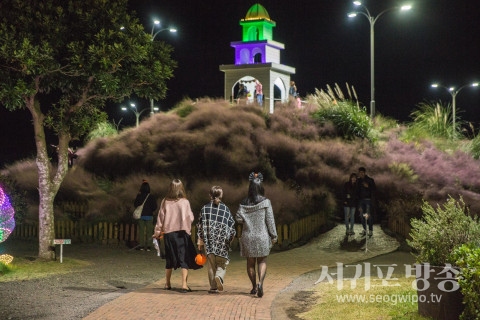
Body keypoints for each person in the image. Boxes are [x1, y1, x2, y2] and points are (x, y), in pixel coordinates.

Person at [153, 179, 201, 293]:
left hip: (169, 233)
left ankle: (167, 283)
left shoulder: (165, 201)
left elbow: (160, 218)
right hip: (182, 233)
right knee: (183, 258)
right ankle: (184, 285)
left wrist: (157, 232)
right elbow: (191, 217)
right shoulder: (185, 202)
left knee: (169, 258)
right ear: (181, 188)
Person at [236, 172, 277, 298]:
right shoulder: (266, 203)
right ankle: (260, 283)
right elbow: (270, 220)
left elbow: (238, 219)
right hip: (262, 236)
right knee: (262, 261)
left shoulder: (243, 204)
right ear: (261, 188)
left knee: (250, 263)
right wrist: (274, 235)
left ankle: (254, 287)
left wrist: (246, 218)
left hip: (248, 236)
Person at [197, 186, 236, 294]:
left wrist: (200, 241)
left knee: (211, 265)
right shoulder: (226, 210)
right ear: (221, 196)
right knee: (222, 264)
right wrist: (230, 239)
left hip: (209, 242)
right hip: (222, 243)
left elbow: (200, 226)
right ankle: (219, 276)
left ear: (210, 195)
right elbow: (232, 227)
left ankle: (213, 287)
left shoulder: (204, 209)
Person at [133, 180, 158, 251]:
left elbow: (135, 204)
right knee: (149, 232)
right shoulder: (151, 197)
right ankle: (149, 247)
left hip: (141, 215)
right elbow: (155, 206)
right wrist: (150, 210)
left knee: (141, 231)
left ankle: (141, 246)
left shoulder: (139, 196)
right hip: (149, 215)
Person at [357, 167, 376, 236]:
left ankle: (370, 230)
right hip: (361, 201)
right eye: (360, 173)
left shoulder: (370, 180)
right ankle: (365, 229)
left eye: (362, 172)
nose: (361, 174)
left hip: (368, 200)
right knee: (362, 216)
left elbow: (374, 189)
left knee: (368, 215)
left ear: (364, 173)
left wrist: (368, 186)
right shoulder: (358, 181)